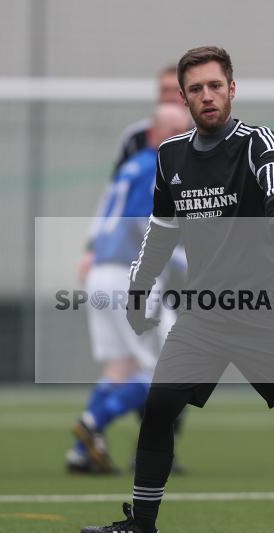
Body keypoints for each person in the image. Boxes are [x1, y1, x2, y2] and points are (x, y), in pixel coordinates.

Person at [79, 46, 274, 533]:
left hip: (266, 312)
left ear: (232, 89)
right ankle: (141, 531)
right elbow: (161, 232)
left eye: (215, 85)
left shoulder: (257, 141)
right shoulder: (171, 156)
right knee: (159, 406)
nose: (206, 96)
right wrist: (140, 288)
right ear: (185, 97)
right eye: (196, 89)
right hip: (204, 313)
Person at [67, 104, 190, 474]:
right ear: (157, 134)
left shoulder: (129, 166)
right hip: (130, 278)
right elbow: (144, 224)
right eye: (178, 132)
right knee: (161, 373)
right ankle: (92, 423)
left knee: (120, 367)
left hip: (102, 272)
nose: (185, 139)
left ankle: (80, 452)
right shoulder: (157, 166)